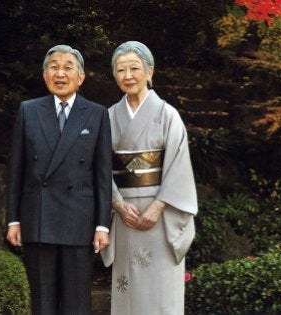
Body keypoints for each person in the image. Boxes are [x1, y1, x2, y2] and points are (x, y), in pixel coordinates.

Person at [5, 44, 113, 315]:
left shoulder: (97, 113)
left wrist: (103, 224)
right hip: (38, 218)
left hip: (80, 220)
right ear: (44, 75)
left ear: (81, 77)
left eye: (68, 67)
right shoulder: (29, 111)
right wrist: (13, 219)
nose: (60, 73)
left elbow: (102, 174)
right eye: (54, 67)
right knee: (43, 302)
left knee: (77, 303)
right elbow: (16, 169)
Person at [101, 41, 198, 314]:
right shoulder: (108, 117)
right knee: (128, 288)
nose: (128, 75)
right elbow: (99, 167)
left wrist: (158, 206)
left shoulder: (168, 115)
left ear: (150, 71)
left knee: (160, 289)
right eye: (121, 70)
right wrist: (117, 204)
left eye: (134, 68)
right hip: (124, 214)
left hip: (160, 216)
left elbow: (179, 166)